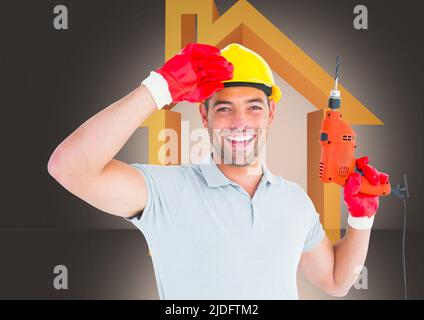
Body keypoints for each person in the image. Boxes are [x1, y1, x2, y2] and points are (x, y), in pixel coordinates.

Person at [48, 42, 389, 299]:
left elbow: (336, 281)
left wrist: (362, 218)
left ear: (270, 113)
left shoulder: (295, 201)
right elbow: (70, 167)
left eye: (253, 107)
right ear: (204, 117)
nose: (240, 121)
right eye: (224, 108)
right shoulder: (166, 192)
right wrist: (159, 87)